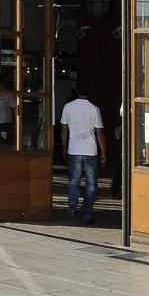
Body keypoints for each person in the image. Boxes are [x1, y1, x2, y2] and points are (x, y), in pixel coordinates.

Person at [59, 85, 106, 225]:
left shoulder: (68, 107)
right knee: (91, 183)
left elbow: (64, 130)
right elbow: (99, 133)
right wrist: (104, 153)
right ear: (90, 92)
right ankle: (87, 214)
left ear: (77, 92)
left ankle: (72, 202)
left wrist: (63, 147)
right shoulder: (94, 109)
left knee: (74, 179)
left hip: (74, 149)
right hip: (90, 151)